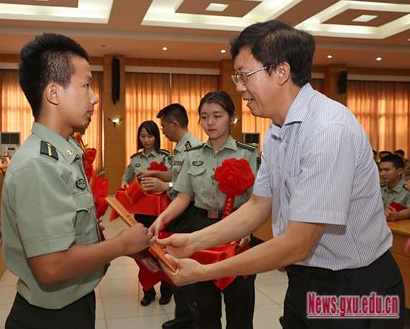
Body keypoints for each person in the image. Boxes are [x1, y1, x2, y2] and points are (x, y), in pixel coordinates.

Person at [158, 20, 404, 328]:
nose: (239, 86)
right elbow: (258, 206)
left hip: (354, 285)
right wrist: (193, 241)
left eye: (244, 74)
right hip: (305, 277)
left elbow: (298, 243)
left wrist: (205, 272)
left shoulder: (328, 130)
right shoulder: (277, 130)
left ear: (281, 72)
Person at [1, 33, 155, 329]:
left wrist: (127, 245)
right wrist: (121, 245)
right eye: (86, 85)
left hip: (73, 303)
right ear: (54, 93)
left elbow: (74, 233)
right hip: (51, 317)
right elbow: (51, 265)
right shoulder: (40, 164)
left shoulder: (64, 154)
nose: (95, 96)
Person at [150, 91, 258, 329]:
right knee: (206, 309)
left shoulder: (247, 154)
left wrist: (248, 231)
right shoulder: (193, 155)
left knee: (240, 307)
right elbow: (183, 197)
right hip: (201, 231)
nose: (210, 122)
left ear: (232, 118)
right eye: (204, 116)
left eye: (217, 115)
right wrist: (162, 218)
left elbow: (256, 202)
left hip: (236, 230)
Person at [138, 103, 201, 329]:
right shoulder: (180, 148)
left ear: (174, 124)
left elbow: (188, 186)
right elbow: (176, 174)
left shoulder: (193, 148)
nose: (162, 130)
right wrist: (155, 173)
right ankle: (183, 316)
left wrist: (165, 185)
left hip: (188, 212)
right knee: (175, 262)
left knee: (183, 263)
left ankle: (189, 318)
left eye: (164, 126)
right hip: (178, 210)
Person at [121, 120, 174, 306]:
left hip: (162, 211)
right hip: (141, 212)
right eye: (142, 136)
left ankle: (167, 290)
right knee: (143, 249)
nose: (146, 140)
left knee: (162, 249)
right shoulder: (135, 159)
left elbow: (174, 179)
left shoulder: (165, 157)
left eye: (150, 136)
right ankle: (148, 290)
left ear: (156, 137)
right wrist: (125, 187)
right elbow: (125, 179)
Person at [380, 154, 410, 221]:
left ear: (399, 171)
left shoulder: (407, 189)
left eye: (387, 170)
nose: (382, 173)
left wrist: (398, 215)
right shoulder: (380, 189)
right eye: (381, 170)